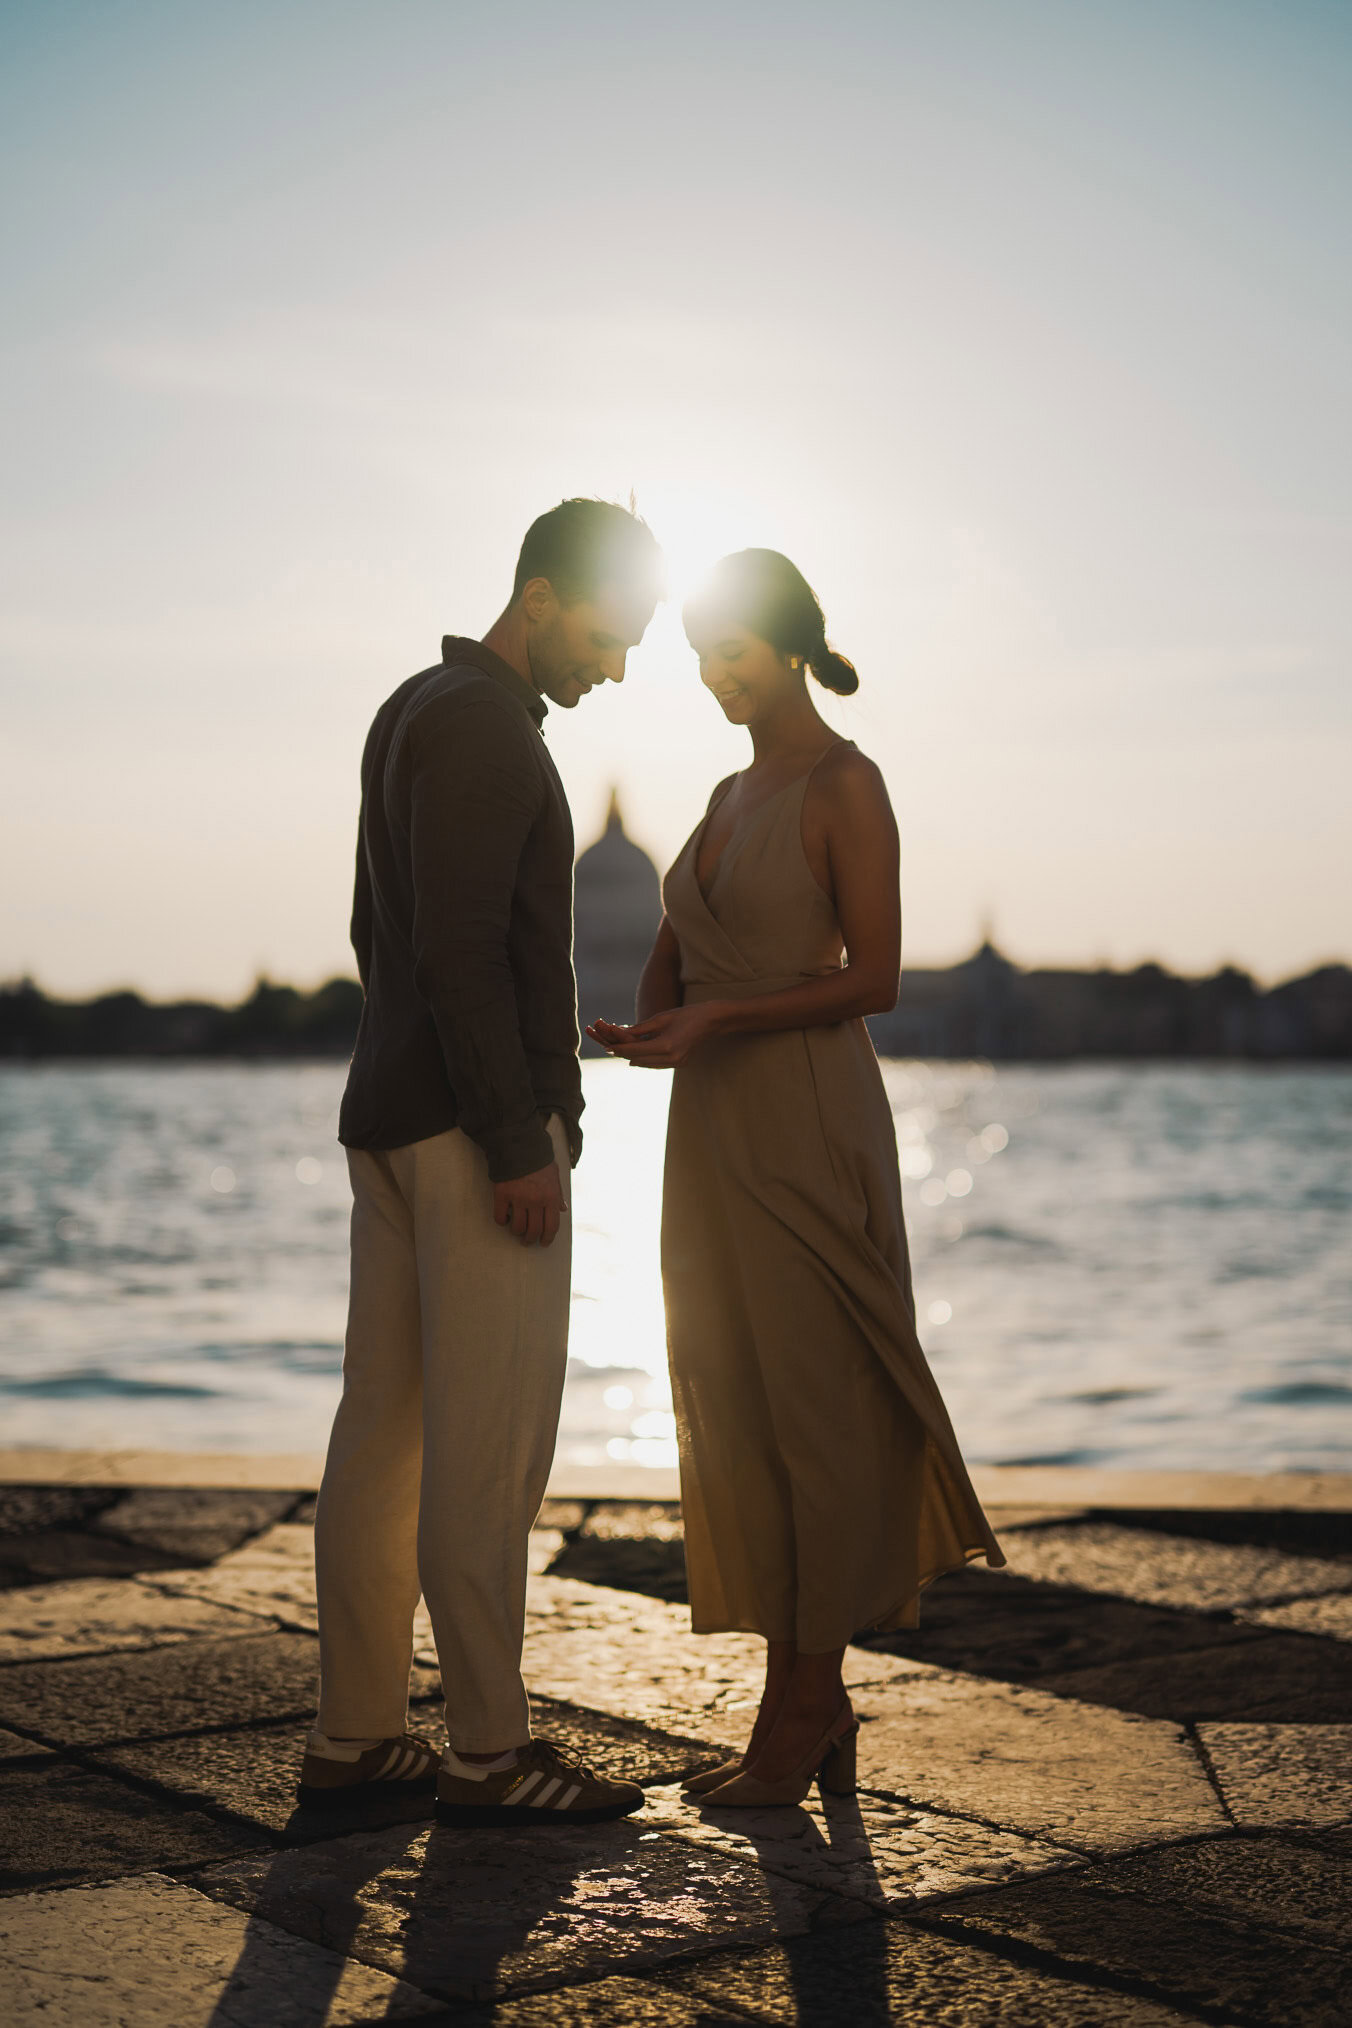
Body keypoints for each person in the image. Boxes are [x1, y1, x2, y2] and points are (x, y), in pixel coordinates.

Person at [589, 548, 1004, 1808]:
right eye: (698, 659)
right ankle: (801, 1694)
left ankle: (805, 1699)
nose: (713, 679)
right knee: (737, 1394)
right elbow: (680, 947)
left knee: (818, 1399)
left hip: (807, 1112)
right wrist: (654, 1021)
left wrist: (712, 1025)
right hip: (711, 1126)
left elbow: (870, 978)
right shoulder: (724, 792)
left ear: (783, 646)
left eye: (730, 654)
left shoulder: (844, 781)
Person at [304, 499, 663, 1827]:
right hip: (473, 1138)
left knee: (382, 1437)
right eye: (613, 635)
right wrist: (521, 1140)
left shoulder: (412, 707)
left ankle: (355, 1735)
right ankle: (492, 1752)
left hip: (395, 1118)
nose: (616, 667)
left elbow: (374, 932)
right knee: (487, 1452)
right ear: (548, 591)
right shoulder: (488, 733)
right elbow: (462, 957)